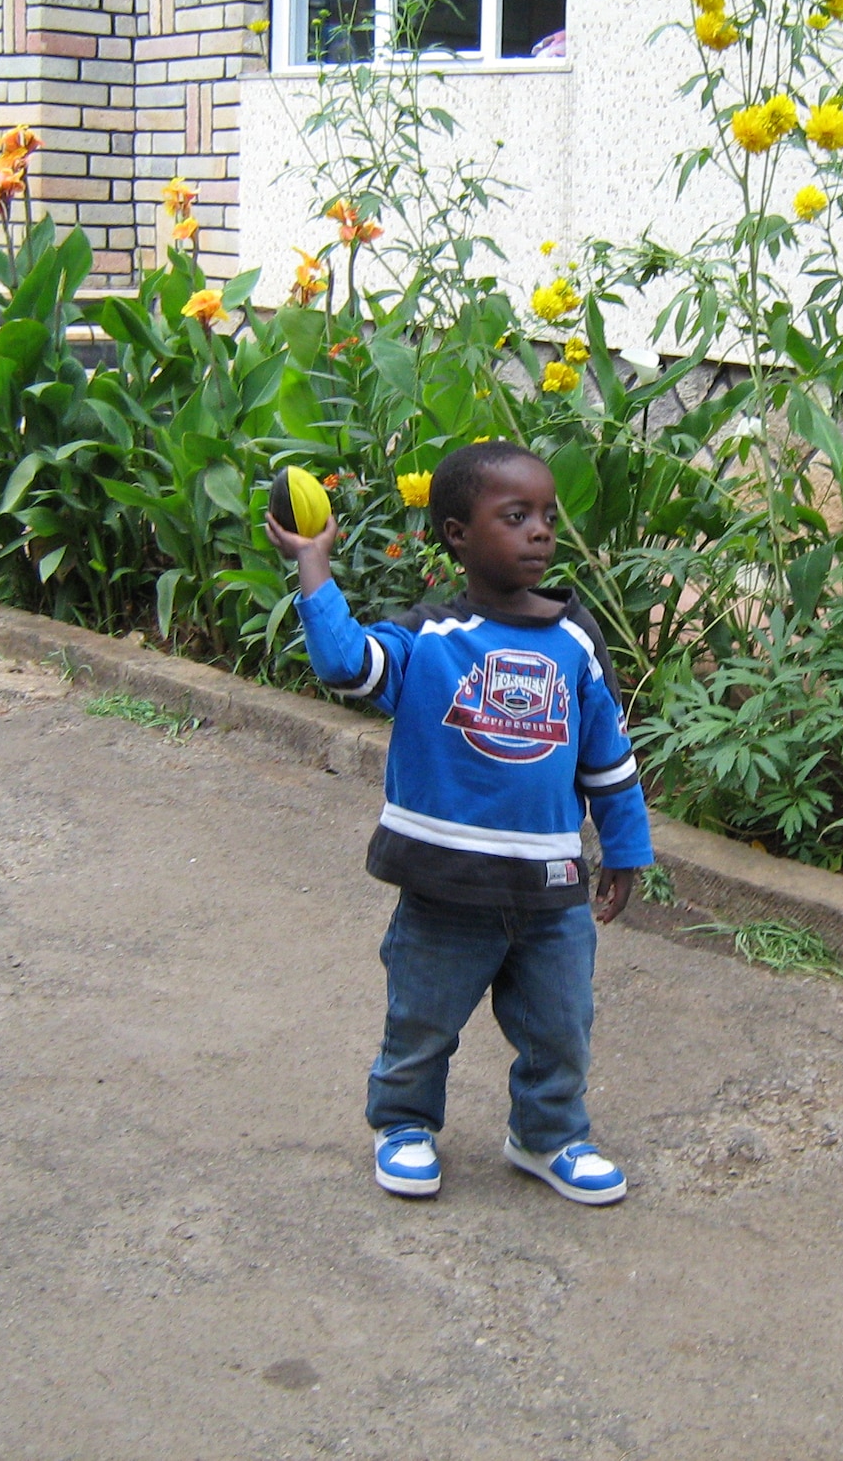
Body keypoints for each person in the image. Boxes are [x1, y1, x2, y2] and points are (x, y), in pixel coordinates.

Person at [263, 441, 650, 1207]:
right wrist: (313, 564)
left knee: (560, 1027)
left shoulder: (575, 640)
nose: (540, 531)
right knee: (422, 1022)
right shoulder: (427, 640)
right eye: (515, 517)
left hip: (549, 893)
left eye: (545, 516)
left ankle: (548, 1136)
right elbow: (346, 664)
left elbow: (608, 757)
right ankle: (403, 1125)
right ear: (457, 534)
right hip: (444, 887)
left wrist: (627, 847)